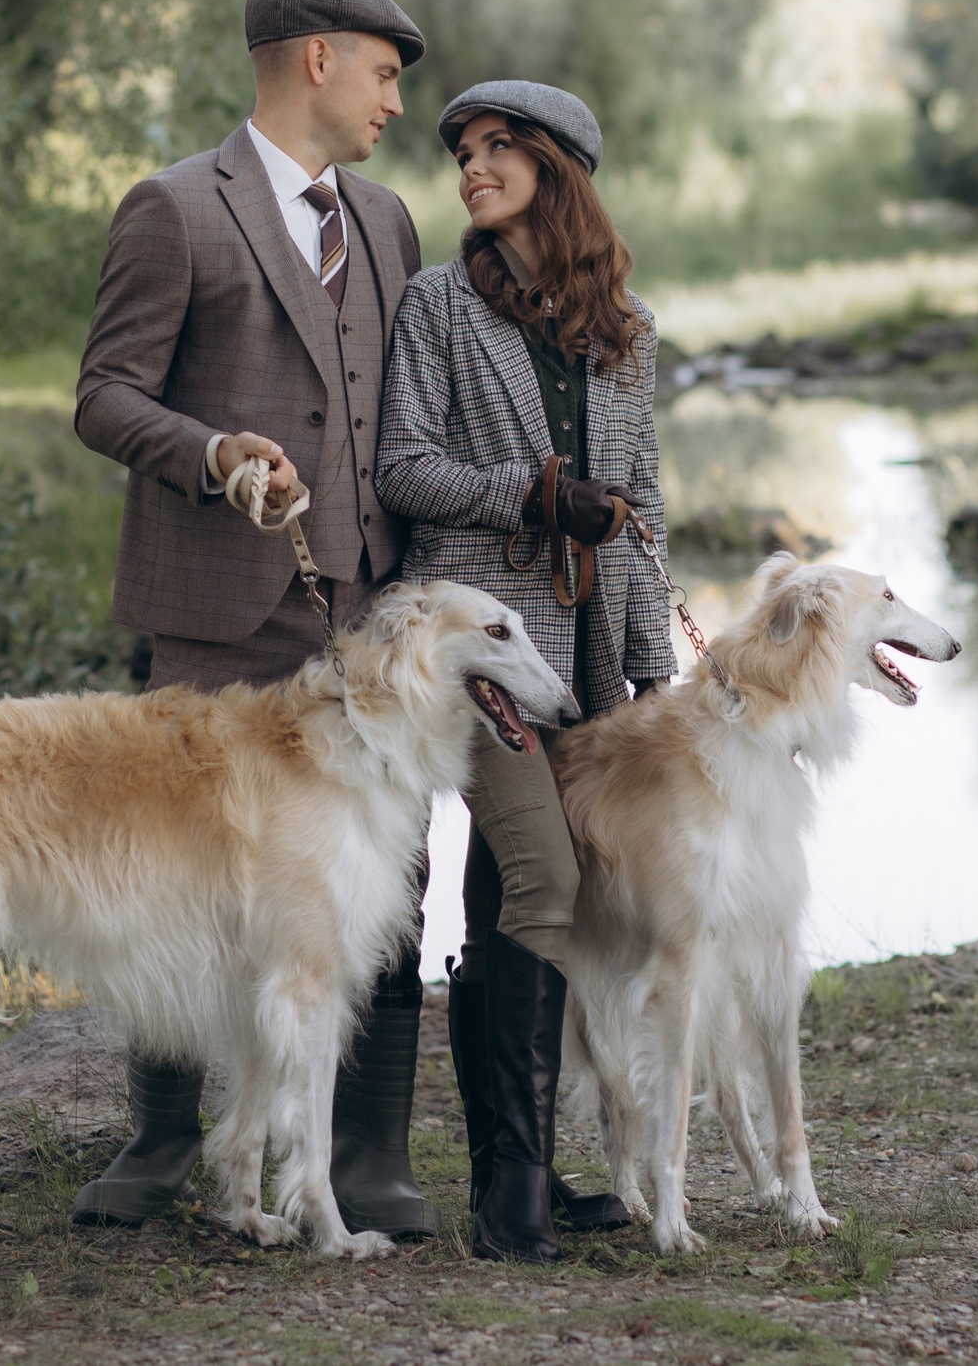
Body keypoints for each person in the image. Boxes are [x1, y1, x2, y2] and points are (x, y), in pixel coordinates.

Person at [69, 0, 439, 1237]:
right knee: (182, 873)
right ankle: (164, 1136)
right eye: (388, 71)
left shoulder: (390, 222)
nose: (399, 99)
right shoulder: (174, 208)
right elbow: (104, 396)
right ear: (317, 59)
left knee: (385, 869)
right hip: (220, 613)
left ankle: (367, 1149)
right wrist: (214, 453)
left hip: (368, 622)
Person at [374, 81, 674, 1263]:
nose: (470, 168)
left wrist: (651, 664)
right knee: (537, 875)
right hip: (472, 648)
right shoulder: (438, 305)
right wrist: (531, 494)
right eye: (462, 151)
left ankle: (533, 1165)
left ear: (560, 170)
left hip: (587, 644)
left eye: (499, 149)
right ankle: (508, 1188)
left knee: (535, 897)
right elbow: (403, 467)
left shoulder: (627, 329)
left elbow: (642, 504)